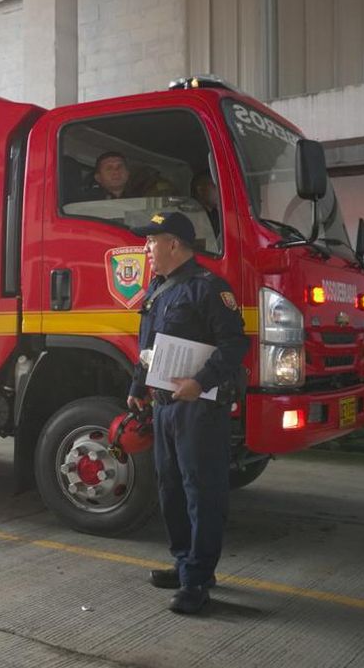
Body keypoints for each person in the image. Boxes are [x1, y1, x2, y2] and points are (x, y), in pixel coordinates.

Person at [128, 211, 249, 615]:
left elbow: (234, 346)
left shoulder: (209, 289)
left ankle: (198, 580)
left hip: (198, 409)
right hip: (163, 408)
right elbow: (147, 347)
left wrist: (201, 380)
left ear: (174, 244)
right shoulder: (157, 290)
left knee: (202, 492)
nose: (146, 249)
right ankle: (184, 564)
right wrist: (136, 388)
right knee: (170, 490)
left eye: (151, 241)